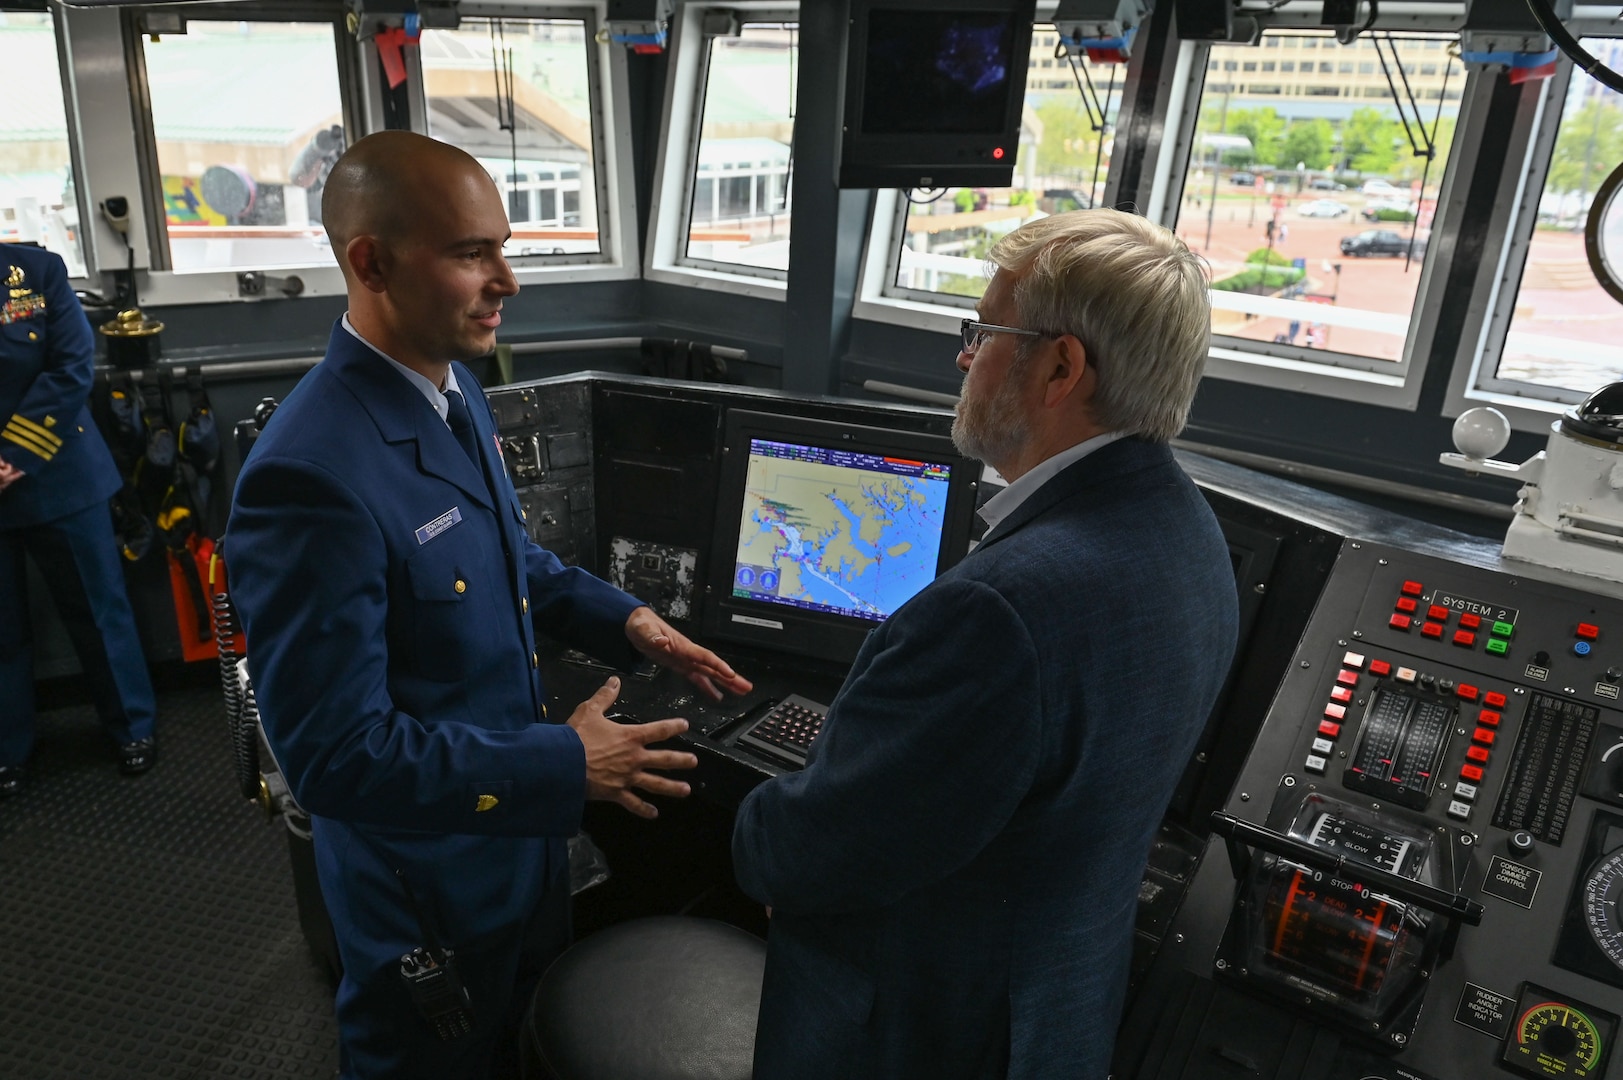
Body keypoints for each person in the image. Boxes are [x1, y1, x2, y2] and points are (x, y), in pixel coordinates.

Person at [224, 131, 752, 1079]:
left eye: (503, 248)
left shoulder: (451, 385)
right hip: (425, 883)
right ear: (369, 262)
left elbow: (510, 561)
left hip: (513, 836)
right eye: (472, 254)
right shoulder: (309, 477)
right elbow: (334, 760)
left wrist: (626, 620)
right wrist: (565, 762)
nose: (506, 279)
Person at [731, 209, 1239, 1080]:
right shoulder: (1190, 536)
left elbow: (826, 848)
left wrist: (756, 831)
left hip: (918, 1032)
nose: (964, 357)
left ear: (1058, 366)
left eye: (982, 332)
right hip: (1053, 1014)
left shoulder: (998, 611)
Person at [0, 242, 157, 797]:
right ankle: (7, 750)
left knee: (97, 610)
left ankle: (132, 728)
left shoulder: (36, 271)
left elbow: (71, 365)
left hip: (58, 472)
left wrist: (14, 456)